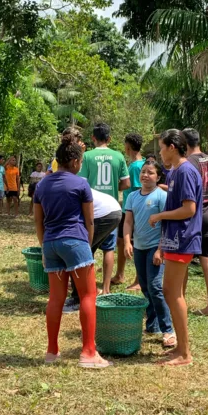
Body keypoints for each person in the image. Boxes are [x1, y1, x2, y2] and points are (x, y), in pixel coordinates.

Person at [34, 133, 112, 368]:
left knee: (56, 298)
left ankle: (51, 352)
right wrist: (86, 246)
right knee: (88, 295)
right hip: (75, 241)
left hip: (50, 243)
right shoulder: (80, 183)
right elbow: (90, 221)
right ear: (77, 162)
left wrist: (44, 244)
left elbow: (38, 221)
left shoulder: (42, 184)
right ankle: (88, 352)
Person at [148, 129, 202, 367]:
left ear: (172, 147)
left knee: (173, 292)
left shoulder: (186, 171)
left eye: (161, 147)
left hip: (184, 237)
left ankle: (185, 353)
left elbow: (189, 209)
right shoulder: (175, 172)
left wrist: (160, 215)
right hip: (174, 237)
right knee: (170, 290)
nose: (160, 153)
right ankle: (180, 347)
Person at [124, 161, 176, 348]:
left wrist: (160, 250)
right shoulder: (132, 196)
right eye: (144, 172)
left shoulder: (162, 196)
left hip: (155, 248)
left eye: (151, 173)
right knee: (145, 287)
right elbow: (128, 221)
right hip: (139, 247)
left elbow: (167, 225)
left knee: (155, 287)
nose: (145, 175)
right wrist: (127, 240)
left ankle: (168, 330)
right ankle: (152, 324)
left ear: (158, 177)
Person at [79, 122, 130, 294]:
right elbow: (127, 183)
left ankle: (87, 285)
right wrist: (114, 188)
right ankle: (106, 288)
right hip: (112, 209)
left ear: (93, 138)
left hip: (92, 207)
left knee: (88, 245)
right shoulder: (118, 156)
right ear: (109, 139)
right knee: (109, 248)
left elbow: (82, 184)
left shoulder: (87, 157)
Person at [63, 188, 123, 313]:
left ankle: (79, 299)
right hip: (112, 209)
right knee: (85, 254)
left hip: (103, 214)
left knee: (78, 254)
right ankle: (86, 293)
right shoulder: (67, 183)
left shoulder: (61, 189)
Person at [183, 128, 208, 317]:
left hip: (195, 217)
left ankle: (179, 300)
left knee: (182, 261)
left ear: (185, 144)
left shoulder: (188, 163)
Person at [111, 133, 144, 289]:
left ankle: (138, 280)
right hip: (126, 209)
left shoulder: (137, 166)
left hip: (133, 211)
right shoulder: (132, 164)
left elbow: (139, 189)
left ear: (128, 146)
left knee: (136, 243)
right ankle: (120, 274)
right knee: (120, 241)